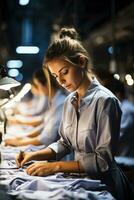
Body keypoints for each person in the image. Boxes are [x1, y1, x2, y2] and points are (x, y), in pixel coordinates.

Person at [16, 27, 133, 199]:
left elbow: (102, 161)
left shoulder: (105, 101)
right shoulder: (70, 102)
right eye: (56, 76)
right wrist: (34, 154)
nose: (61, 81)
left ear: (81, 62)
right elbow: (65, 143)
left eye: (64, 72)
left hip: (105, 187)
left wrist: (56, 166)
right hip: (79, 181)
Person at [4, 68, 67, 147]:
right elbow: (43, 125)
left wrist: (19, 142)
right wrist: (22, 137)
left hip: (54, 151)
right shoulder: (54, 100)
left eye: (38, 85)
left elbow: (47, 137)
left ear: (47, 84)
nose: (38, 89)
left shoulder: (61, 103)